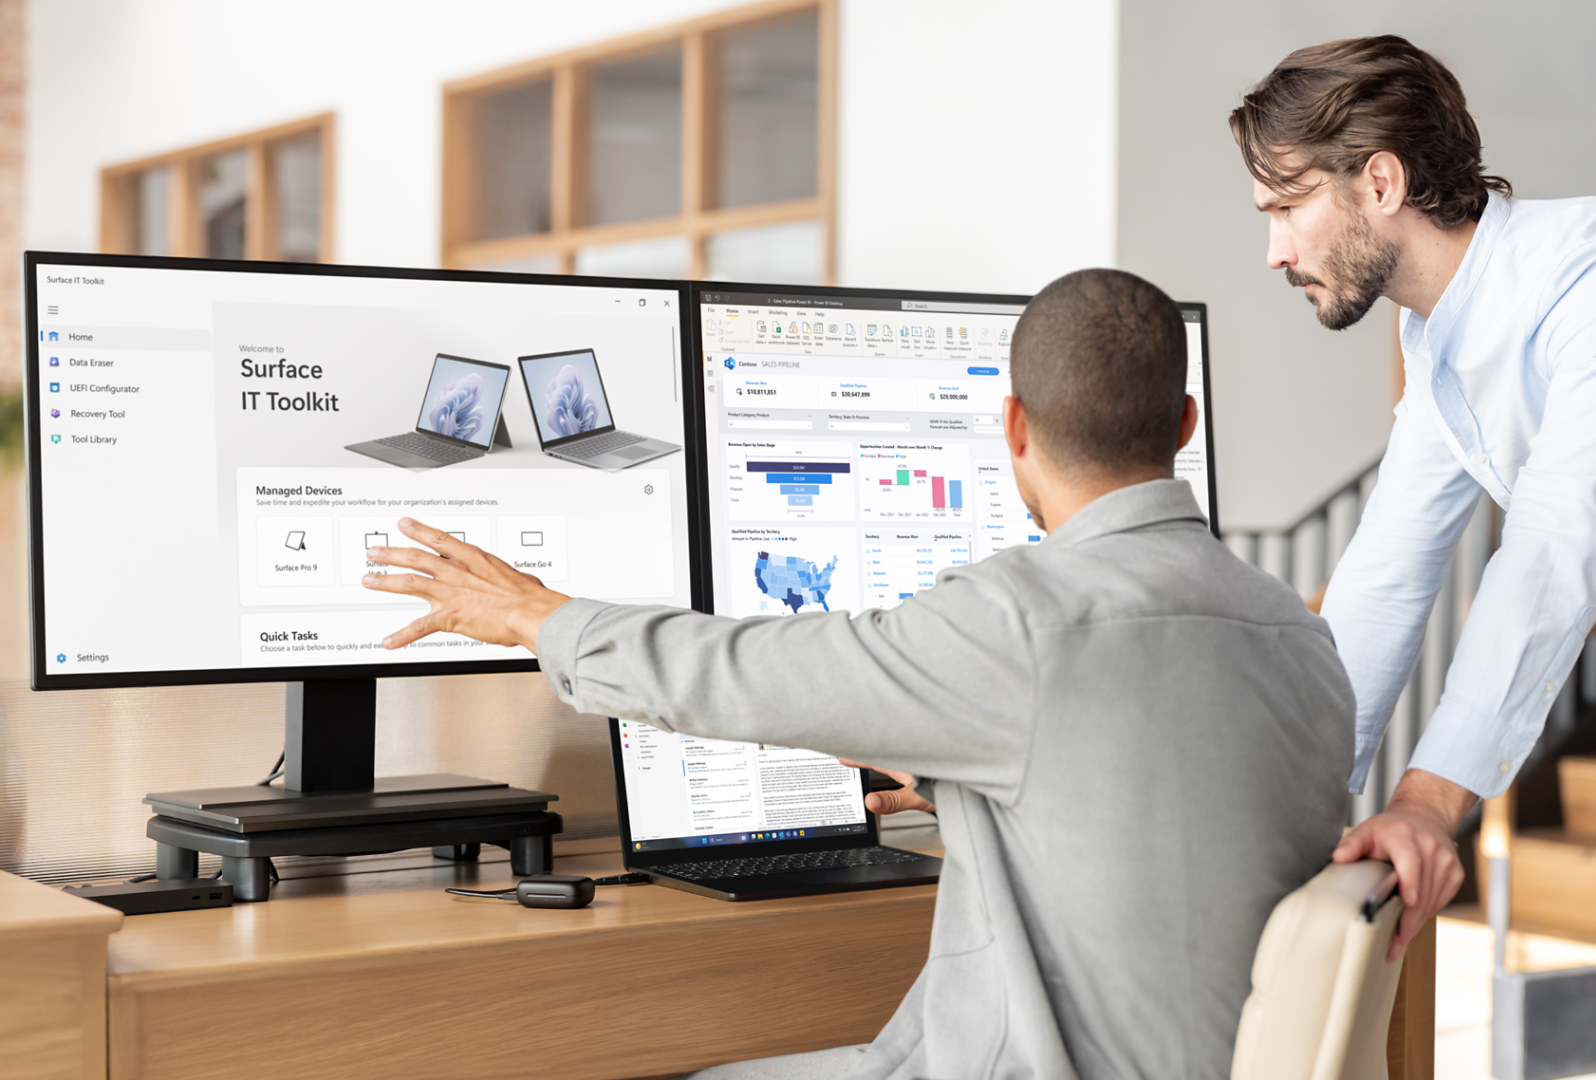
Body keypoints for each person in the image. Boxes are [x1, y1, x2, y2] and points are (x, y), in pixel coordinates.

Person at [363, 269, 1354, 1079]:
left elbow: (739, 670)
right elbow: (1182, 836)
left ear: (1012, 427)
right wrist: (972, 792)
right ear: (1185, 426)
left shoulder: (1018, 624)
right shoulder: (1303, 640)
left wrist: (537, 614)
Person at [1231, 36, 1596, 961]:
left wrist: (1428, 803)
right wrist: (1283, 805)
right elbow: (1387, 571)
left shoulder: (1580, 283)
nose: (1274, 252)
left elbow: (1552, 553)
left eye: (1287, 207)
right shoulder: (1437, 336)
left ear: (1381, 184)